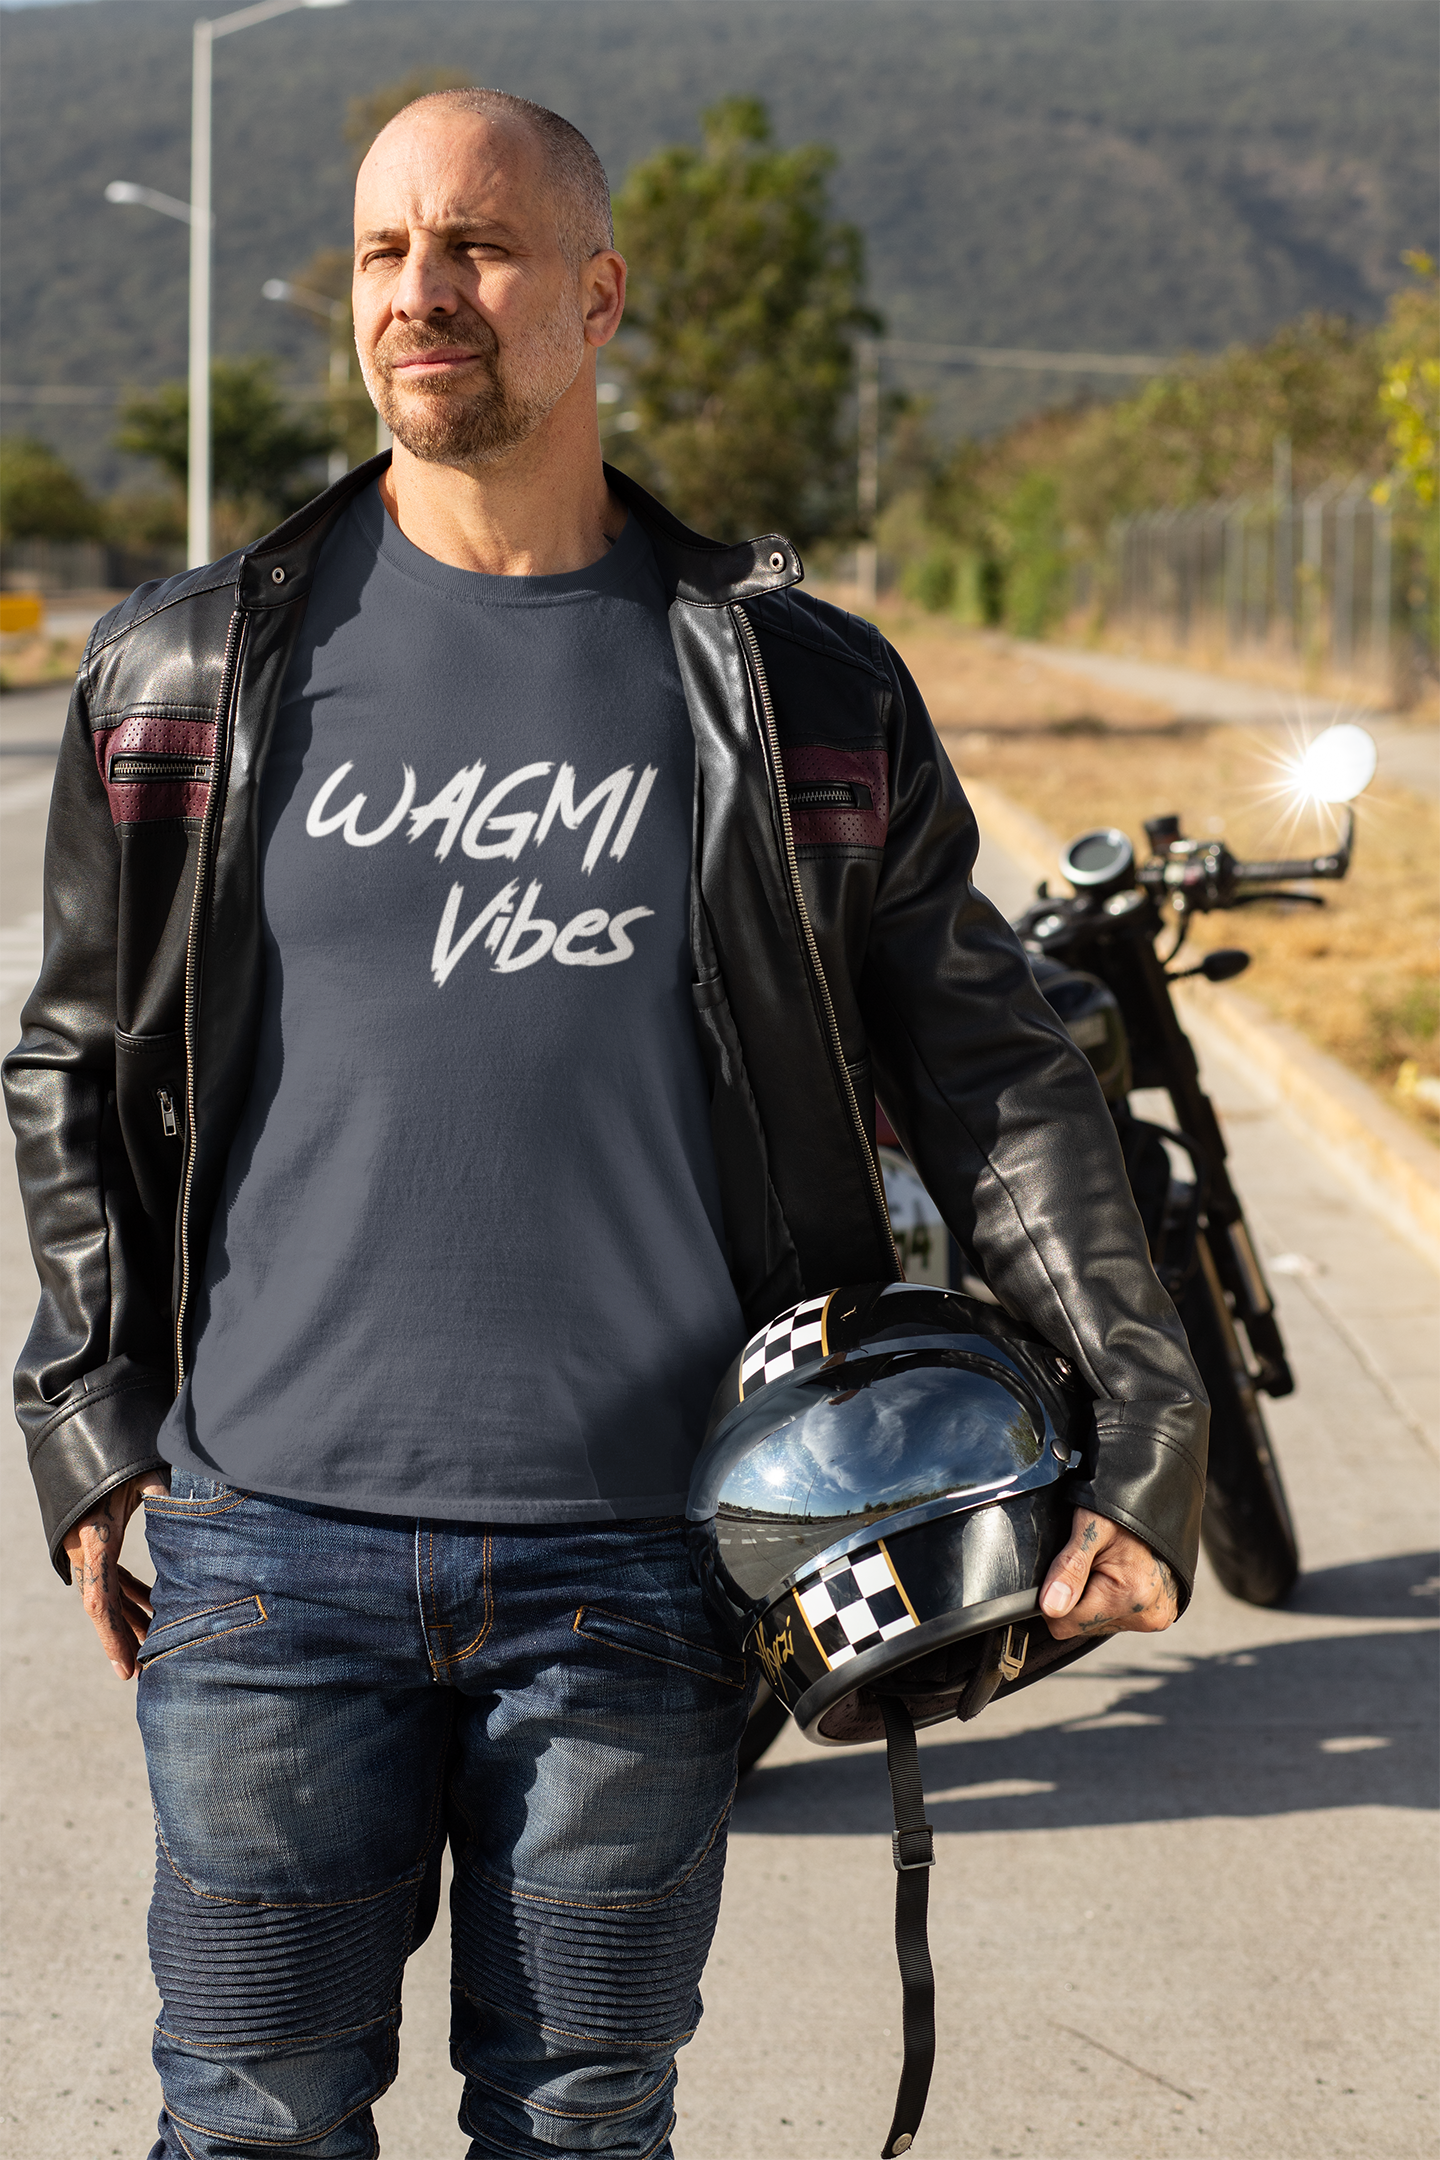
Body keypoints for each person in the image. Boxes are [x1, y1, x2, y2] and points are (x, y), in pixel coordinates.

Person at [3, 88, 1206, 2160]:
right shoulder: (186, 669)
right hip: (267, 1553)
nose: (418, 292)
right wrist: (94, 1437)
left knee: (581, 2115)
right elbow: (73, 1068)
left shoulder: (797, 687)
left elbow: (998, 1074)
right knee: (252, 2117)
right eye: (381, 252)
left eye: (471, 246)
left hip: (650, 1558)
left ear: (597, 295)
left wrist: (1146, 1430)